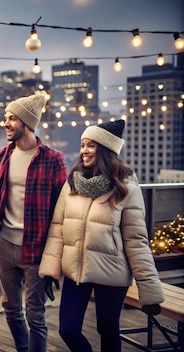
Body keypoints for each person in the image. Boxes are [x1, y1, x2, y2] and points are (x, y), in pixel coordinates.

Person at [39, 120, 165, 352]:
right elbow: (57, 229)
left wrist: (149, 292)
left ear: (106, 150)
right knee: (68, 330)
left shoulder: (126, 189)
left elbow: (136, 242)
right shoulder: (72, 184)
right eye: (82, 145)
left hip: (112, 272)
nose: (83, 151)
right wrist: (49, 270)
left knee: (108, 330)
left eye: (91, 146)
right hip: (76, 270)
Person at [0, 94, 68, 352]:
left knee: (35, 314)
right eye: (5, 118)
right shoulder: (1, 156)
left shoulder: (53, 158)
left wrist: (54, 251)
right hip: (4, 244)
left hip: (36, 248)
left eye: (12, 118)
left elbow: (62, 207)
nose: (6, 123)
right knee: (11, 308)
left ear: (27, 122)